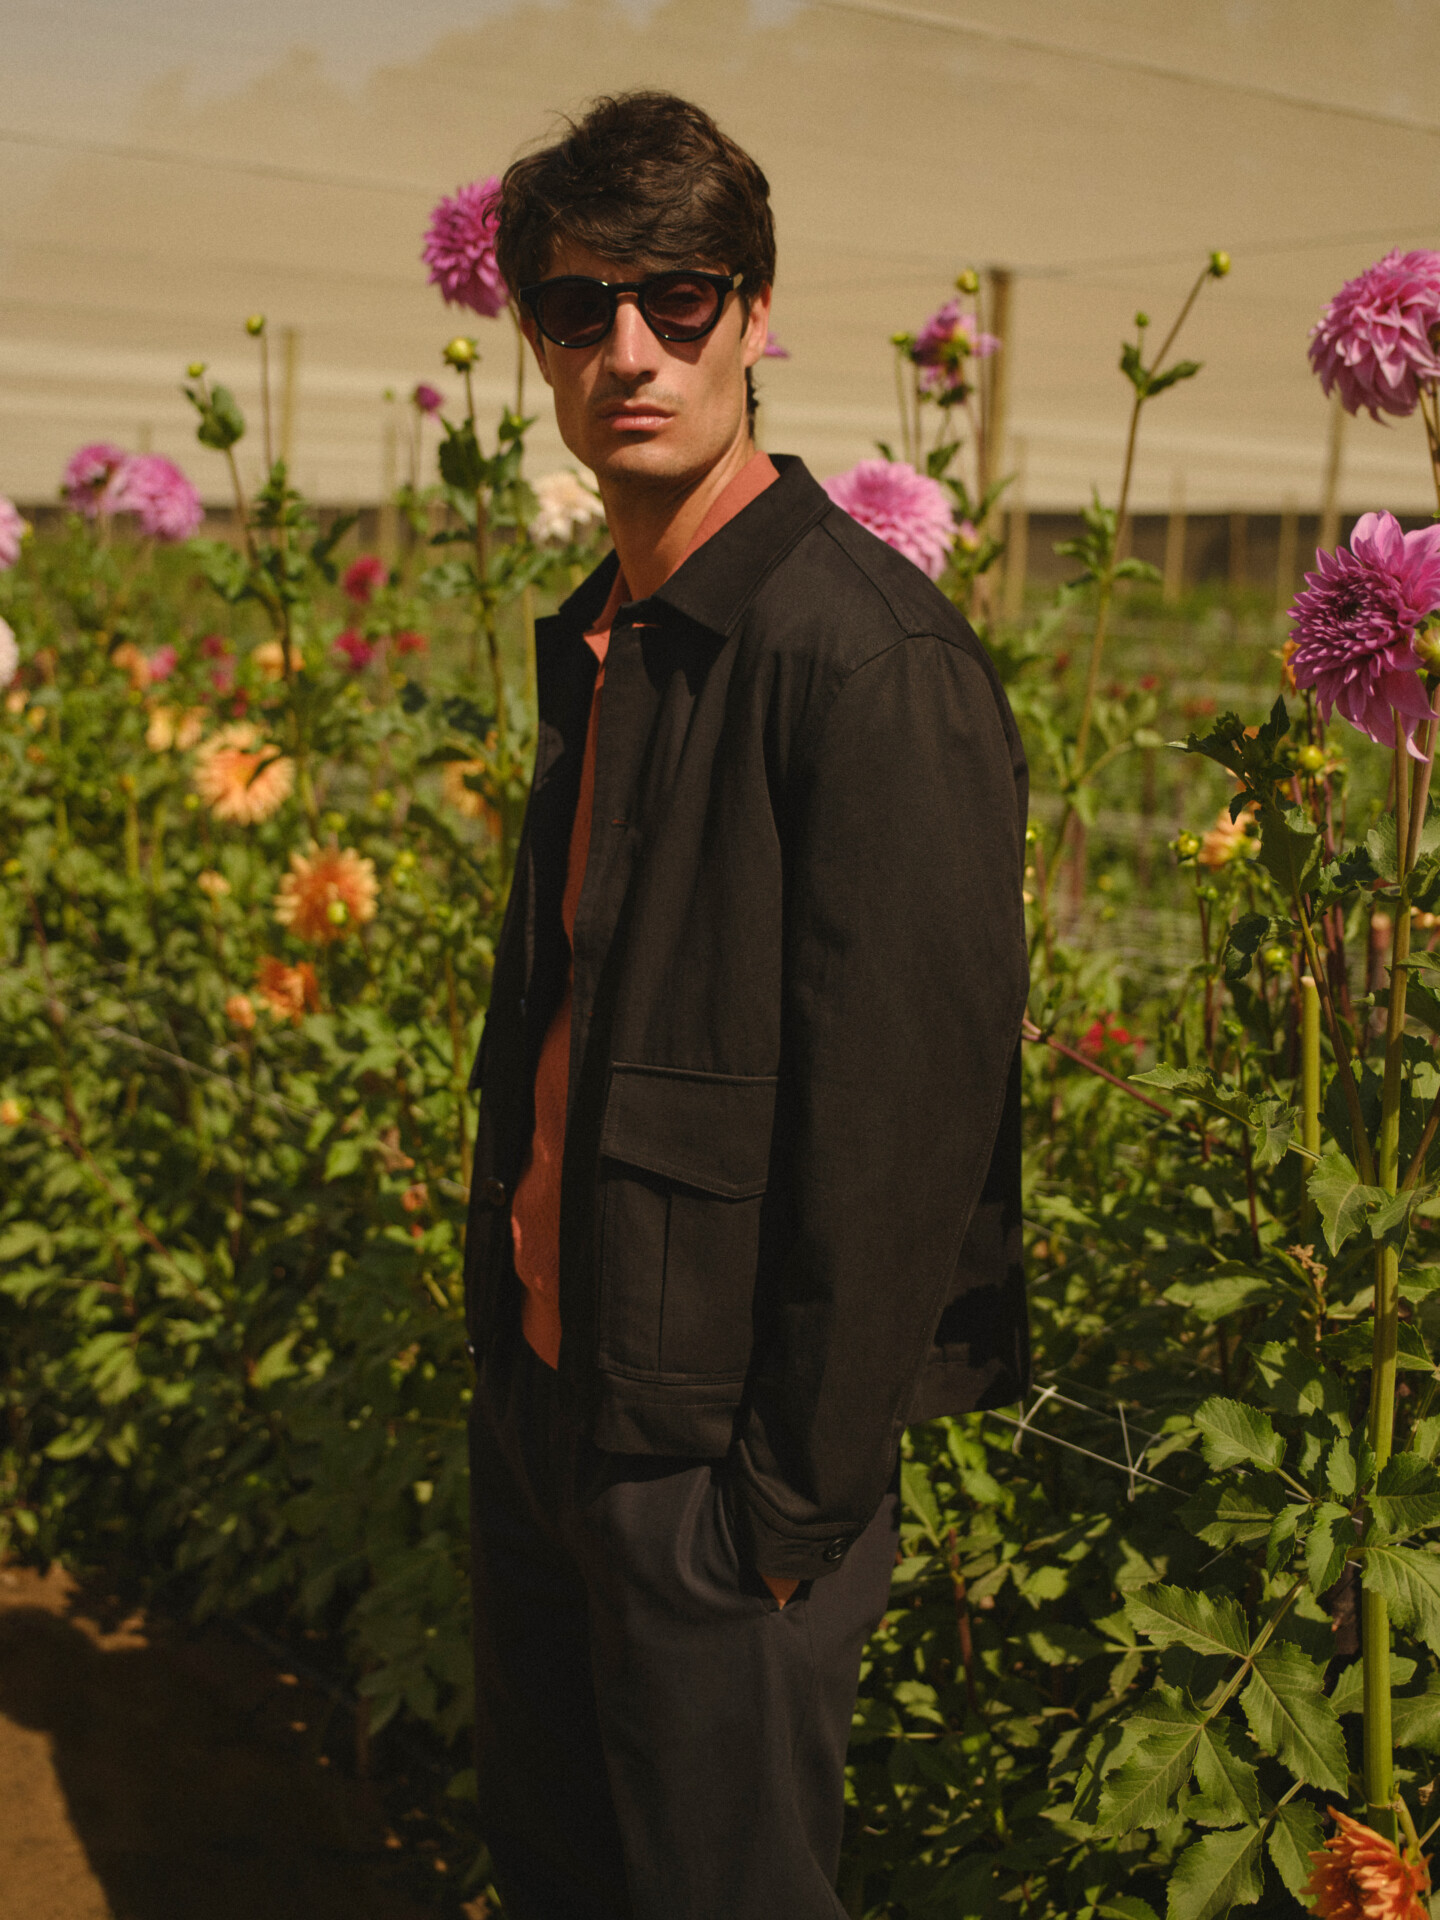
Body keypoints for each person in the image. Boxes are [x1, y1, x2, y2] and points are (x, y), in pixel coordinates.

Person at [462, 89, 1029, 1920]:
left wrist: (780, 1516)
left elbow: (909, 1132)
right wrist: (515, 1382)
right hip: (557, 1409)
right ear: (534, 337)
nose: (628, 352)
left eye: (679, 299)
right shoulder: (614, 637)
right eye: (578, 307)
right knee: (561, 1877)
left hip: (713, 1480)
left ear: (756, 314)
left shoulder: (866, 662)